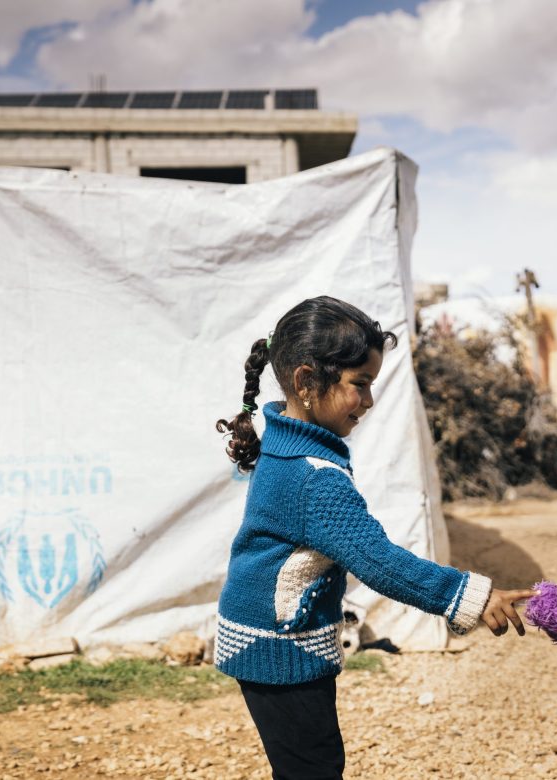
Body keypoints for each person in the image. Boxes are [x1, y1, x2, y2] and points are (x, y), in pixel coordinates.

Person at [214, 296, 535, 779]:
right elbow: (378, 561)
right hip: (278, 646)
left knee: (305, 763)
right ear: (305, 382)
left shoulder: (285, 446)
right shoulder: (313, 479)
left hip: (266, 637)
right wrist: (467, 595)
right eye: (359, 385)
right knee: (314, 768)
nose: (368, 401)